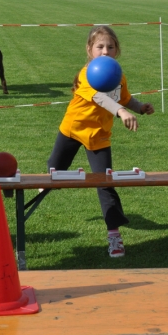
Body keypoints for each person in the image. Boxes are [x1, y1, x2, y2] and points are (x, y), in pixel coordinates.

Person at [47, 26, 155, 258]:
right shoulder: (87, 73)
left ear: (117, 51)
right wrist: (122, 113)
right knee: (54, 172)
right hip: (73, 130)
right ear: (89, 50)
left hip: (99, 137)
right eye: (100, 47)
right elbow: (101, 98)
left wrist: (139, 108)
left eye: (110, 47)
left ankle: (114, 236)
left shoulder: (118, 75)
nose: (105, 51)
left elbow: (124, 98)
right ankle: (28, 190)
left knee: (105, 184)